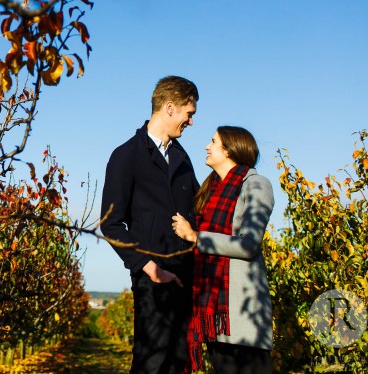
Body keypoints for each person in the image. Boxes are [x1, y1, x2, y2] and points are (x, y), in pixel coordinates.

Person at [100, 75, 200, 374]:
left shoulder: (182, 158)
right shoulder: (126, 156)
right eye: (189, 114)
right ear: (170, 107)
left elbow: (198, 209)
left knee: (178, 362)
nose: (191, 122)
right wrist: (149, 267)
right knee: (151, 363)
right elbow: (111, 225)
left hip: (185, 277)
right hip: (153, 279)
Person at [172, 126, 274, 374]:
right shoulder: (211, 191)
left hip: (243, 318)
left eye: (213, 141)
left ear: (229, 150)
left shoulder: (256, 185)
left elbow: (248, 244)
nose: (207, 146)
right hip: (216, 317)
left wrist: (196, 237)